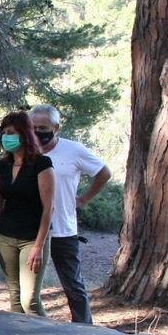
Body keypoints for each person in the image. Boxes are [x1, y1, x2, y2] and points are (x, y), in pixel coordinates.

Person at [29, 104, 111, 323]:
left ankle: (84, 330)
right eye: (33, 127)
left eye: (43, 127)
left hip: (62, 229)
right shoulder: (25, 150)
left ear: (56, 127)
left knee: (73, 286)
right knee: (27, 291)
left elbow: (104, 173)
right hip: (30, 230)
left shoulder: (74, 150)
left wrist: (83, 199)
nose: (38, 132)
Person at [0, 111, 55, 316]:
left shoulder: (42, 165)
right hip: (5, 238)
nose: (7, 136)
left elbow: (48, 208)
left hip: (32, 239)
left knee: (29, 300)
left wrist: (39, 246)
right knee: (14, 298)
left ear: (24, 134)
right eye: (4, 132)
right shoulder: (1, 166)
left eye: (12, 132)